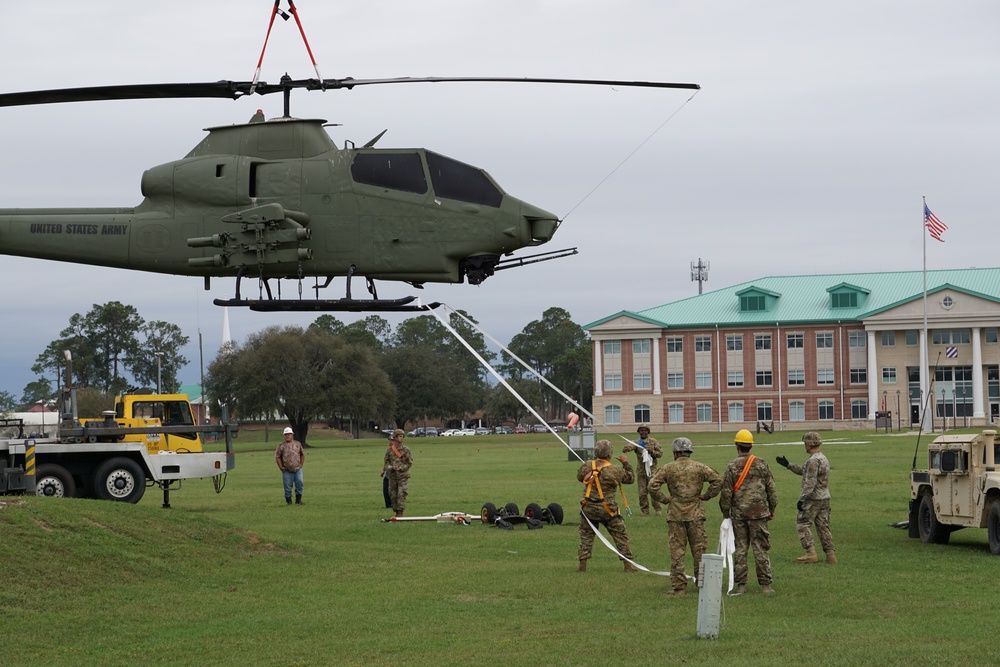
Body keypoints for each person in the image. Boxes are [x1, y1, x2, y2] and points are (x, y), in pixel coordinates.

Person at [648, 437, 722, 595]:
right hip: (696, 514)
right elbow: (718, 480)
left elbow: (652, 486)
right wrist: (707, 495)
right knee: (699, 550)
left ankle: (679, 586)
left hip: (675, 514)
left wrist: (665, 499)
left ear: (676, 452)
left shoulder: (668, 468)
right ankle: (702, 583)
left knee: (677, 551)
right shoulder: (699, 467)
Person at [719, 429, 778, 595]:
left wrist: (725, 513)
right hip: (759, 513)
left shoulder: (731, 466)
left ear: (737, 446)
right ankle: (766, 585)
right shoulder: (761, 463)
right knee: (760, 548)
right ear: (750, 446)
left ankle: (741, 585)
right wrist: (771, 509)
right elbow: (771, 489)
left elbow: (726, 493)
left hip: (739, 514)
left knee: (740, 548)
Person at [577, 439, 638, 573]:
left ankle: (582, 566)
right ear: (610, 454)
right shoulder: (615, 469)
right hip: (608, 509)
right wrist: (625, 463)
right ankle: (628, 566)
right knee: (620, 535)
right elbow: (630, 478)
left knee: (586, 537)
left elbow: (580, 477)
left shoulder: (587, 465)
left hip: (588, 508)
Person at [776, 432, 837, 564]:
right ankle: (830, 556)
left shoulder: (813, 460)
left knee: (802, 524)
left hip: (813, 498)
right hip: (825, 497)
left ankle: (810, 553)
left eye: (805, 443)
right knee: (823, 526)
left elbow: (810, 482)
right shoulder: (823, 458)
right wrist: (788, 465)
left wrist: (803, 499)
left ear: (810, 444)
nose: (804, 446)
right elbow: (804, 471)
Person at [621, 425, 663, 516]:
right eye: (641, 430)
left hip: (652, 470)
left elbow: (660, 454)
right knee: (642, 492)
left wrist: (652, 452)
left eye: (645, 430)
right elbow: (630, 446)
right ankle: (645, 511)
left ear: (648, 432)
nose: (643, 432)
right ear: (639, 432)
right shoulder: (637, 442)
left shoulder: (653, 442)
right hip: (641, 471)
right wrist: (626, 448)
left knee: (653, 490)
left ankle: (657, 509)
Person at [382, 429, 413, 517]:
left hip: (403, 476)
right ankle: (396, 511)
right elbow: (386, 462)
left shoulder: (406, 450)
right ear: (395, 437)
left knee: (401, 494)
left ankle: (400, 513)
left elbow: (409, 462)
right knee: (393, 495)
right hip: (392, 476)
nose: (401, 438)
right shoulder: (389, 451)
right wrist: (391, 468)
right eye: (399, 436)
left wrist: (401, 468)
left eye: (402, 436)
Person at [275, 426, 305, 505]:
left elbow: (302, 454)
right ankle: (289, 501)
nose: (287, 436)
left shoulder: (298, 444)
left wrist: (301, 464)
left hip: (297, 469)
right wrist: (281, 467)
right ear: (284, 436)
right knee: (287, 486)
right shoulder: (281, 446)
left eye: (289, 434)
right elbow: (277, 457)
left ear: (292, 435)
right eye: (286, 434)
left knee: (300, 483)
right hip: (287, 470)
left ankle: (298, 500)